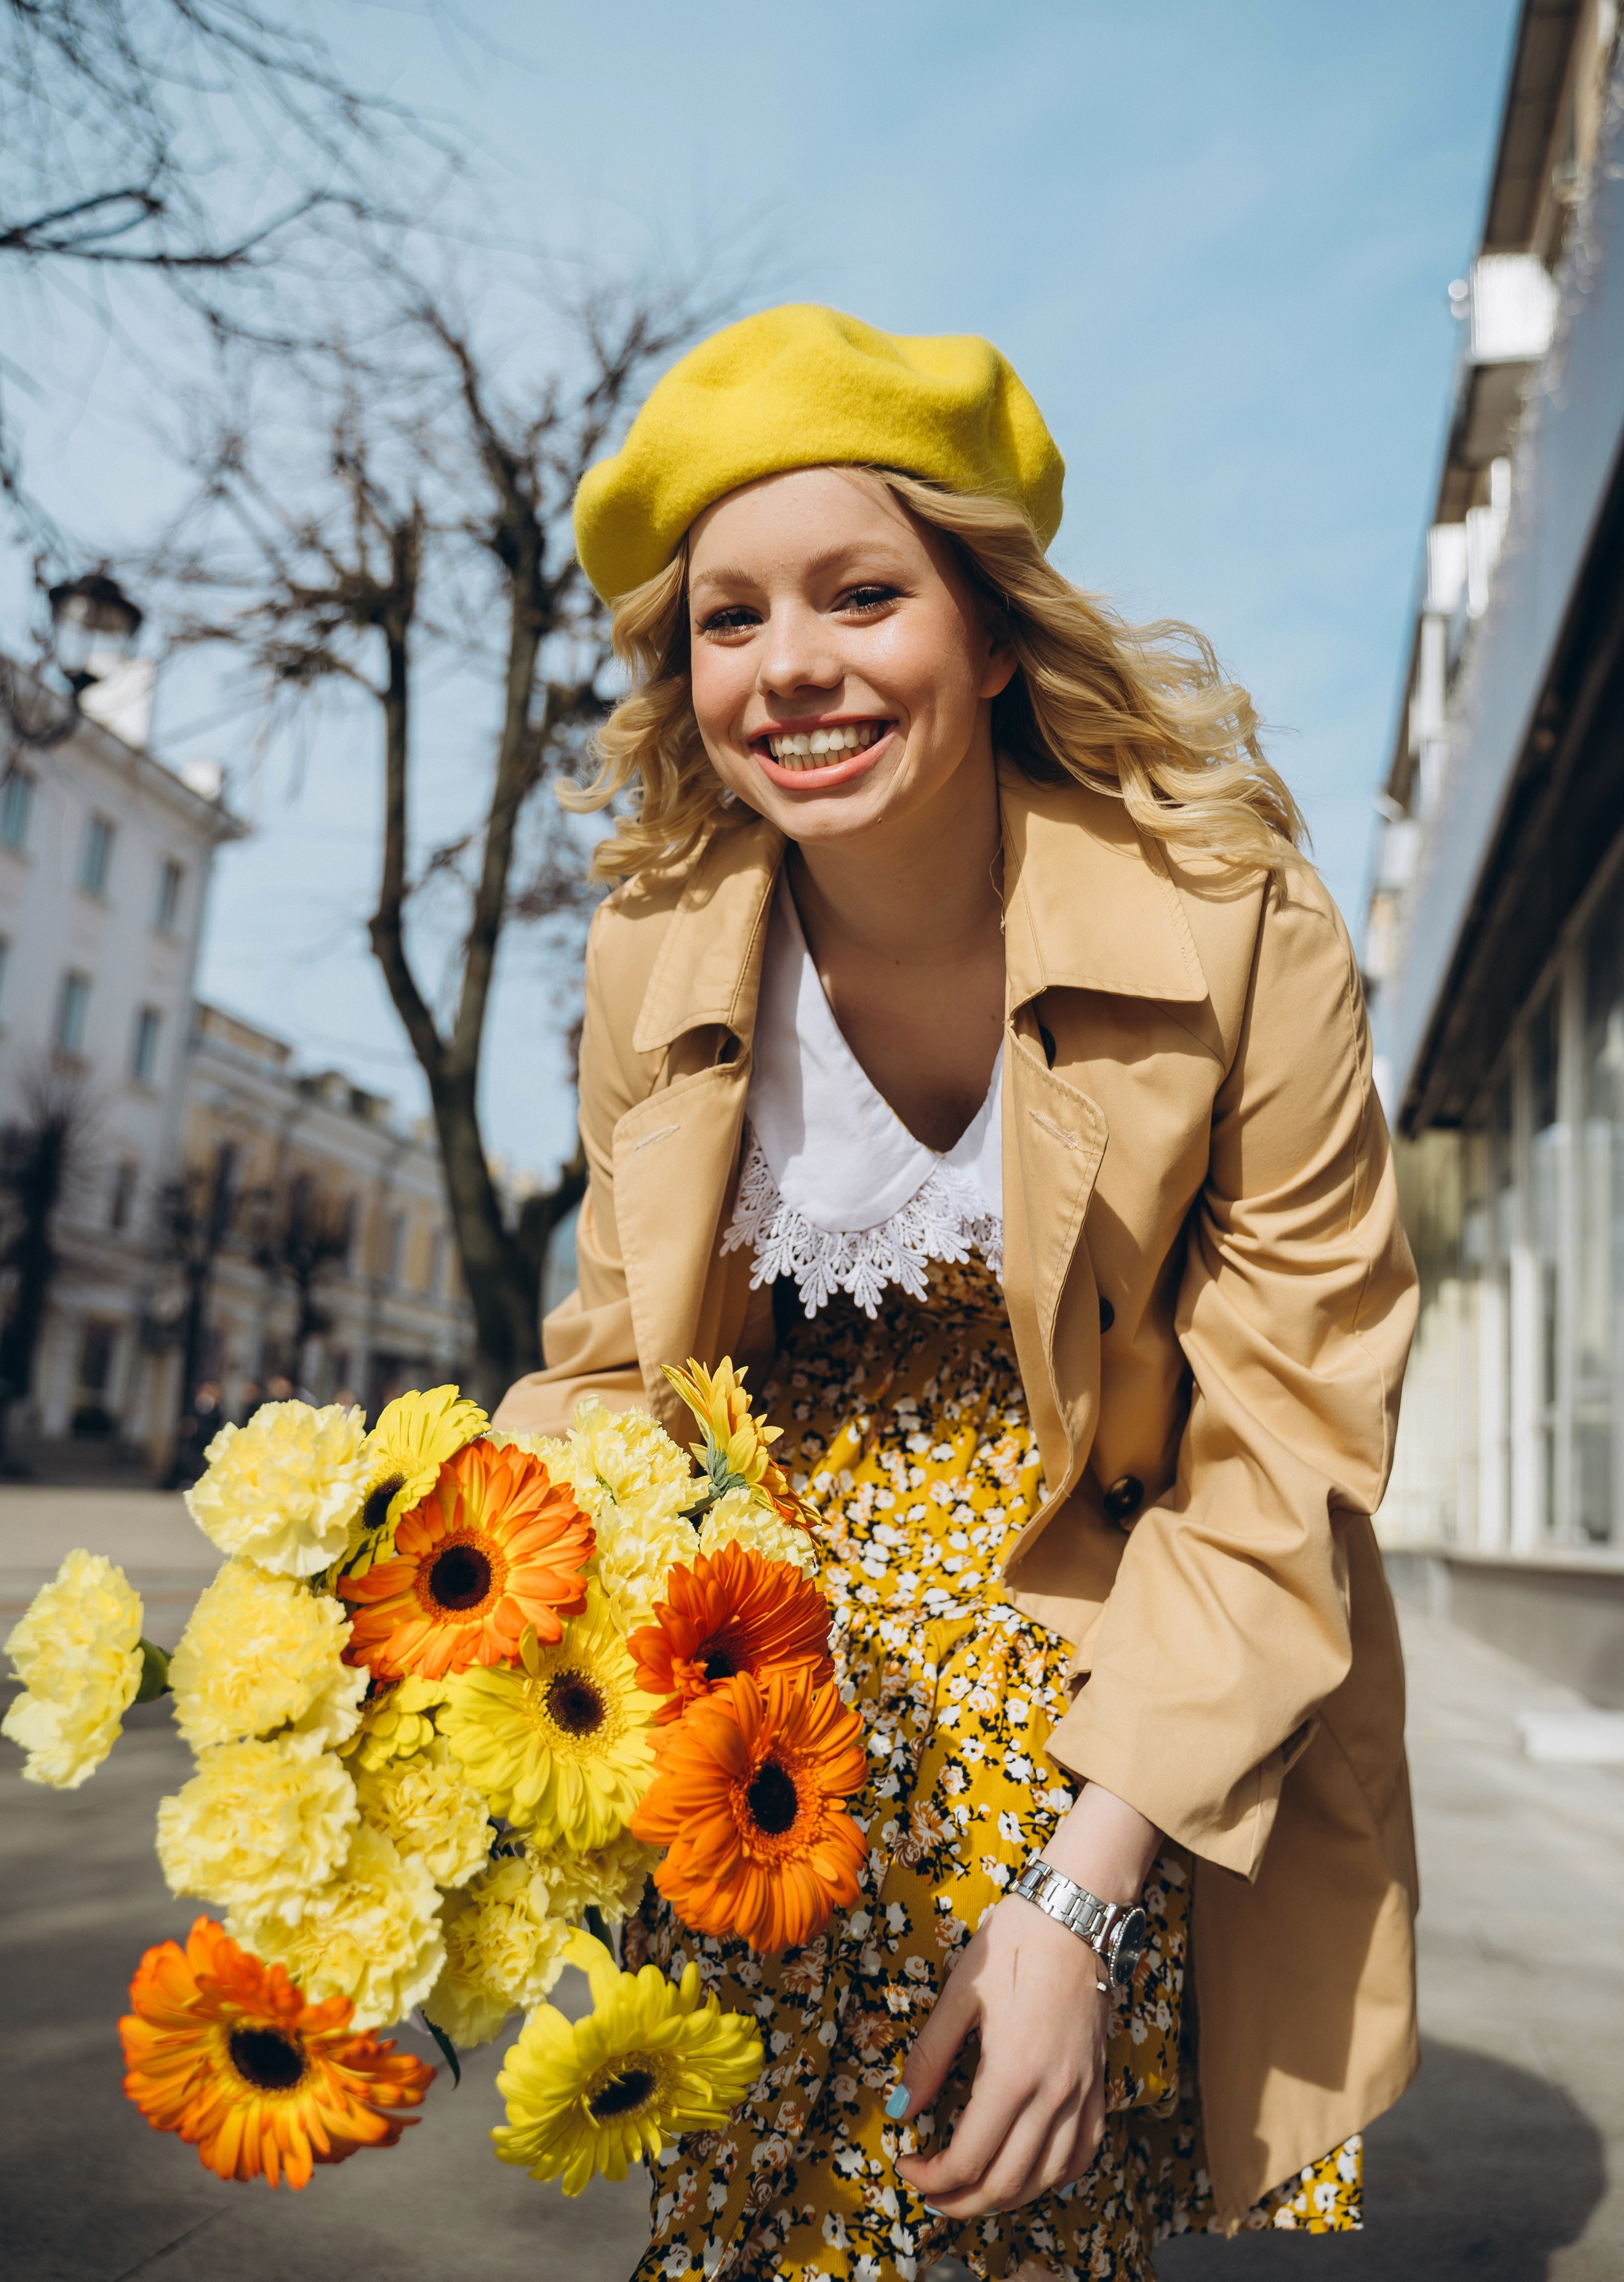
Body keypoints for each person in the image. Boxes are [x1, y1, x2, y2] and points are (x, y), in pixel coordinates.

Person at [496, 306, 1419, 2282]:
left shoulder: (1236, 914)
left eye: (859, 593)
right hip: (764, 1642)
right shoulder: (656, 945)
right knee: (754, 2191)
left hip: (1119, 1614)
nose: (792, 668)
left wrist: (1084, 1899)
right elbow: (612, 1375)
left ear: (992, 628)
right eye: (726, 621)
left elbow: (1293, 1434)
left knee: (994, 2183)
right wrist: (413, 1631)